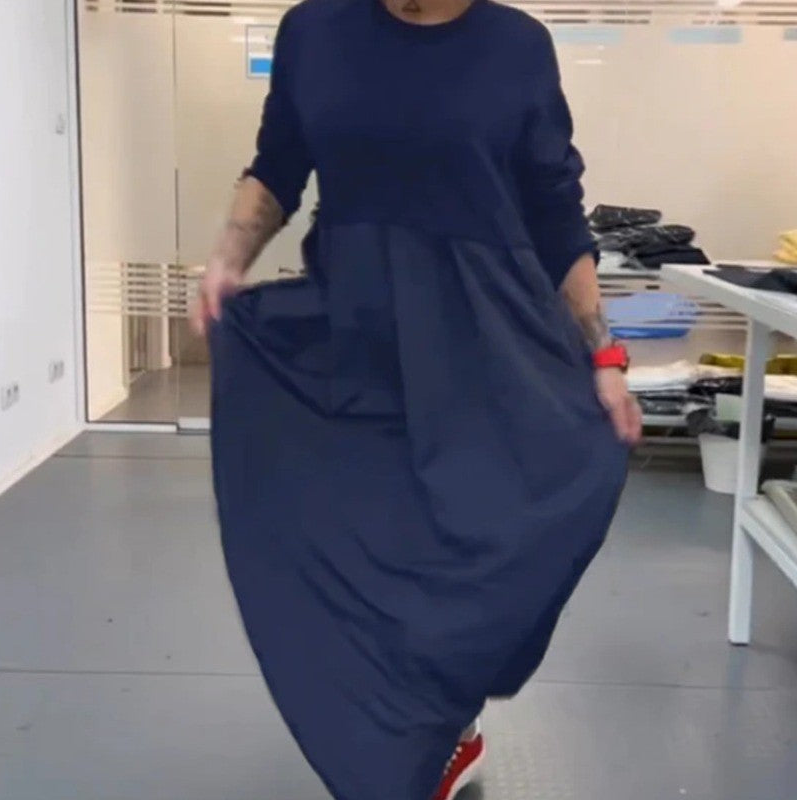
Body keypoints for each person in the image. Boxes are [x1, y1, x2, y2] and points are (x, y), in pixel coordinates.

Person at [193, 0, 640, 797]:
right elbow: (278, 165)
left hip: (486, 334)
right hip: (356, 336)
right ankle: (412, 744)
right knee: (368, 539)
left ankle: (448, 726)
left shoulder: (517, 46)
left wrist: (602, 352)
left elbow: (553, 210)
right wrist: (228, 259)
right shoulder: (314, 32)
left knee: (474, 534)